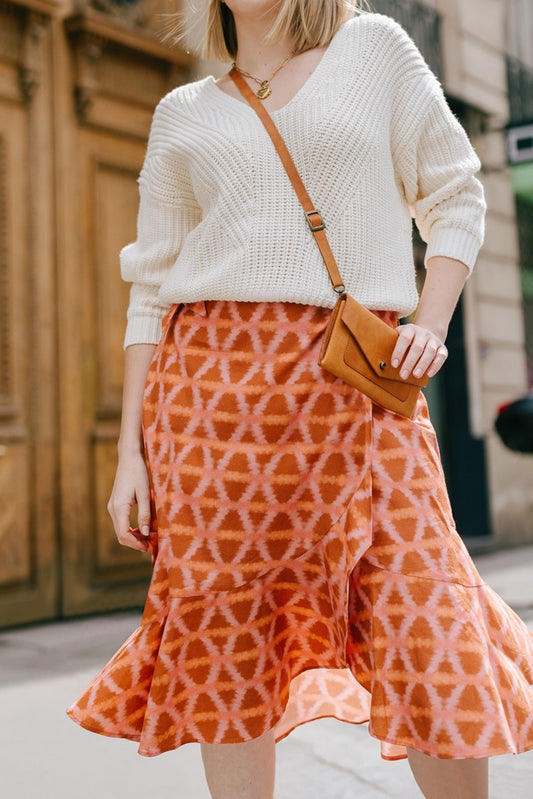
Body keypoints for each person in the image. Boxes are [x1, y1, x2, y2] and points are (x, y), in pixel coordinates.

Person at [67, 2, 533, 797]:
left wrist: (430, 319)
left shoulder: (374, 50)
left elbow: (455, 192)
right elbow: (149, 287)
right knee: (226, 635)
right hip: (208, 402)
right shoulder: (182, 113)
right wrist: (128, 455)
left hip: (356, 388)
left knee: (421, 617)